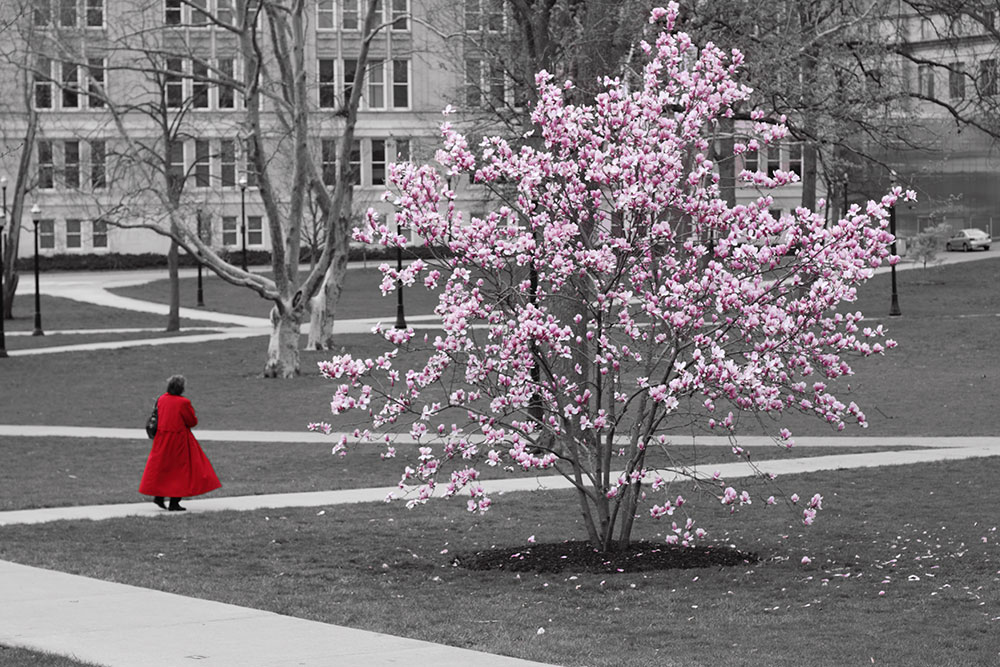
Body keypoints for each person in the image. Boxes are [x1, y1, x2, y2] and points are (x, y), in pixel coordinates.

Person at [139, 375, 221, 511]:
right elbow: (192, 422)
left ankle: (159, 496)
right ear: (181, 388)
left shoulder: (162, 399)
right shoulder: (183, 403)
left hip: (162, 438)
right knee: (180, 471)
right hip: (179, 440)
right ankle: (174, 502)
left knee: (163, 468)